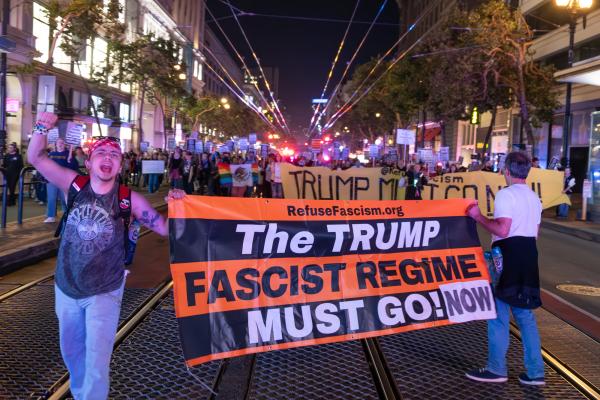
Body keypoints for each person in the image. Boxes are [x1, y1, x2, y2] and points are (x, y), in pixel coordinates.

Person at [27, 112, 185, 400]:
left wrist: (179, 207)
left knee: (97, 361)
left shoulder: (129, 199)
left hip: (106, 289)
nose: (108, 158)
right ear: (89, 162)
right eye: (101, 153)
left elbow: (164, 229)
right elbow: (36, 158)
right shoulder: (74, 185)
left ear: (120, 165)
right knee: (72, 352)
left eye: (114, 155)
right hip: (66, 285)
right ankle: (80, 394)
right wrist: (41, 128)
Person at [465, 151, 544, 386]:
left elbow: (502, 230)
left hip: (506, 256)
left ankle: (496, 368)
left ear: (506, 171)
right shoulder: (534, 198)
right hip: (528, 255)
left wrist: (478, 216)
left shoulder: (505, 195)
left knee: (498, 314)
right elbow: (535, 233)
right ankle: (535, 372)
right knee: (525, 315)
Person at [45, 138, 79, 222]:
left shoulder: (69, 154)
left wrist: (71, 159)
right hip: (52, 179)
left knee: (64, 199)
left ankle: (66, 214)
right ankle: (51, 216)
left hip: (64, 180)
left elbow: (74, 167)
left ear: (65, 145)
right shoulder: (51, 154)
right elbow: (46, 165)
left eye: (62, 143)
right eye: (58, 143)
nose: (60, 144)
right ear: (56, 144)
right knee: (51, 198)